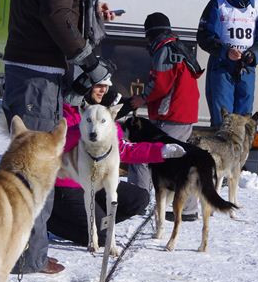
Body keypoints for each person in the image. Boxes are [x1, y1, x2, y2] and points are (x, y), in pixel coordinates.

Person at [2, 0, 128, 274]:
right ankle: (27, 257)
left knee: (31, 164)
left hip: (33, 66)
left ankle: (28, 251)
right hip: (39, 68)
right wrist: (88, 60)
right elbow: (56, 13)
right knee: (35, 168)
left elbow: (59, 6)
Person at [48, 82, 185, 247]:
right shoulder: (63, 112)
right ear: (84, 85)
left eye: (105, 86)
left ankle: (95, 224)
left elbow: (123, 149)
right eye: (98, 85)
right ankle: (53, 222)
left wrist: (161, 151)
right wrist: (85, 128)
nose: (103, 90)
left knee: (139, 198)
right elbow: (55, 145)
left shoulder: (105, 115)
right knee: (103, 237)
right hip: (67, 186)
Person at [126, 12, 203, 221]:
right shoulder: (179, 47)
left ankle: (136, 200)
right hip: (184, 113)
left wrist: (142, 98)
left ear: (150, 33)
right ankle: (188, 209)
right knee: (180, 160)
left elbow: (161, 84)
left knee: (144, 155)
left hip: (170, 114)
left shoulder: (163, 50)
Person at [197, 0, 258, 128]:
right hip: (222, 66)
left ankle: (240, 152)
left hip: (246, 68)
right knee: (223, 118)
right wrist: (225, 51)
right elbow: (204, 36)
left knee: (243, 119)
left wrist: (253, 54)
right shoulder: (217, 4)